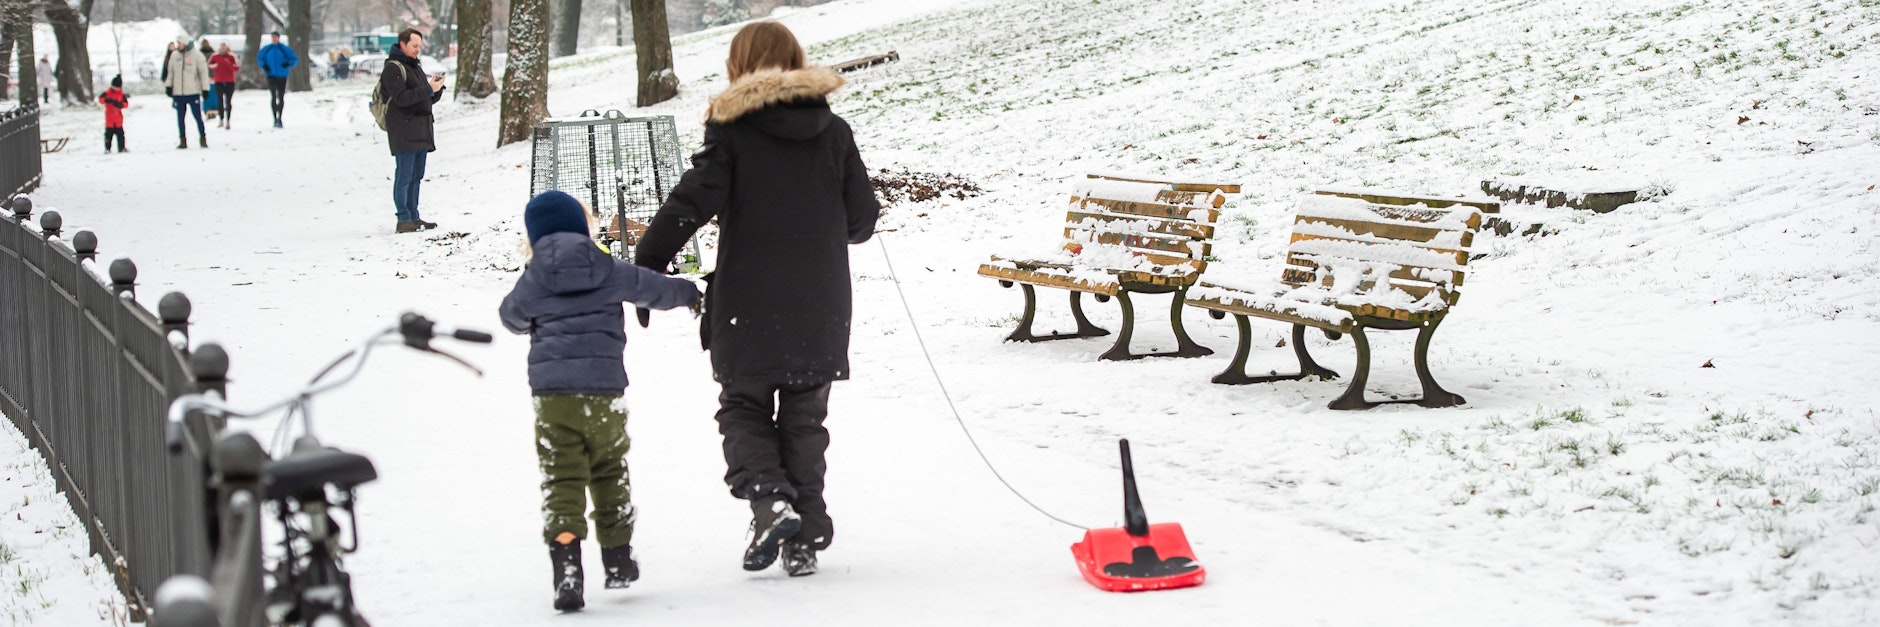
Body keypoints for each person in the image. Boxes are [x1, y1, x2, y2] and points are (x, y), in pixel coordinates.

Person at [633, 21, 880, 579]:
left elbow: (691, 202)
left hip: (747, 301)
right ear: (796, 60)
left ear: (738, 66)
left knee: (743, 407)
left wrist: (649, 262)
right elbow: (862, 221)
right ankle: (804, 535)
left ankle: (771, 501)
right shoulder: (834, 130)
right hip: (820, 301)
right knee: (804, 417)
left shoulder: (731, 130)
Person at [498, 190, 702, 613]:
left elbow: (511, 317)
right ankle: (618, 559)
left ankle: (567, 569)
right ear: (581, 226)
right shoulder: (607, 267)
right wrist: (690, 293)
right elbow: (655, 290)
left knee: (562, 478)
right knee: (609, 469)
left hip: (553, 399)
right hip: (605, 393)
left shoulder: (533, 279)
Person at [379, 28, 447, 233]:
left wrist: (436, 90)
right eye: (414, 45)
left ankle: (414, 216)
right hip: (404, 130)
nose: (418, 49)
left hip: (421, 130)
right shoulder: (393, 68)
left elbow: (423, 98)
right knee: (405, 175)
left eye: (419, 46)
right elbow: (402, 98)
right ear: (402, 44)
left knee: (417, 176)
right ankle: (403, 218)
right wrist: (428, 89)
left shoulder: (415, 67)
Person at [165, 36, 211, 149]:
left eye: (180, 43)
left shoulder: (197, 55)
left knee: (197, 117)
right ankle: (182, 140)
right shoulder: (174, 56)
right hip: (178, 93)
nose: (178, 45)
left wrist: (205, 88)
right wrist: (168, 86)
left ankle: (203, 138)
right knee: (180, 118)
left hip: (193, 92)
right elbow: (171, 72)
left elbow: (203, 73)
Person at [257, 31, 298, 128]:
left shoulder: (284, 48)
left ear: (278, 38)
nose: (274, 39)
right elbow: (260, 58)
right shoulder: (267, 48)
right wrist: (264, 66)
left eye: (275, 37)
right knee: (273, 96)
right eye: (273, 37)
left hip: (282, 75)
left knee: (281, 96)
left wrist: (288, 64)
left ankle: (280, 117)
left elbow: (294, 59)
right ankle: (275, 118)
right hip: (271, 75)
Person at [209, 43, 239, 128]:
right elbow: (210, 65)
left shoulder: (231, 56)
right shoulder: (215, 56)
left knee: (228, 101)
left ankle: (228, 120)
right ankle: (221, 119)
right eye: (221, 46)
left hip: (229, 81)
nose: (223, 48)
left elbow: (236, 68)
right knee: (220, 100)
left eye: (224, 46)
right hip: (219, 81)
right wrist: (215, 66)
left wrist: (228, 64)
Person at [98, 75, 129, 153]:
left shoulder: (121, 94)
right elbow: (100, 99)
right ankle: (107, 148)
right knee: (108, 135)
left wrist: (120, 105)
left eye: (117, 87)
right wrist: (106, 100)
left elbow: (126, 104)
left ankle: (121, 148)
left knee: (120, 135)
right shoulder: (107, 92)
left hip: (118, 118)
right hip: (109, 118)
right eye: (114, 87)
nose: (115, 88)